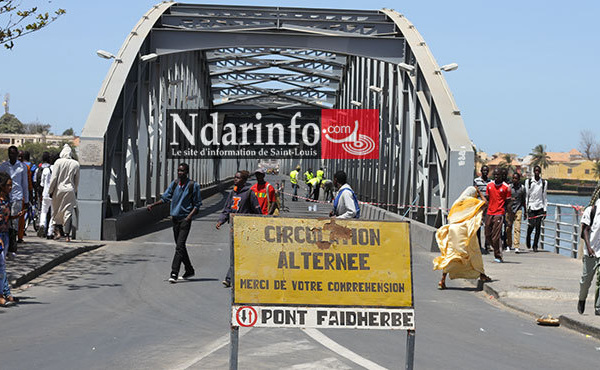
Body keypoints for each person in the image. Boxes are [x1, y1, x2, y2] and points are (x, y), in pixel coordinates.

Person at [147, 163, 202, 284]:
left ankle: (174, 273)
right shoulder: (175, 183)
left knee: (179, 247)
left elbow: (197, 205)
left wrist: (188, 218)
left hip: (185, 220)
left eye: (182, 171)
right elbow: (165, 198)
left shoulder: (193, 185)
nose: (179, 173)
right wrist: (153, 205)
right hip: (175, 219)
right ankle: (189, 269)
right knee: (180, 246)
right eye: (178, 170)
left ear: (187, 172)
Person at [433, 186, 492, 289]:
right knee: (474, 252)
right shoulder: (471, 202)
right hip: (464, 230)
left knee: (451, 254)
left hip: (453, 230)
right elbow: (486, 203)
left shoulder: (457, 203)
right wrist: (480, 193)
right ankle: (482, 275)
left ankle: (442, 280)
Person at [216, 170, 262, 287]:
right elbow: (227, 209)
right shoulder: (233, 193)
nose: (235, 179)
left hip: (245, 228)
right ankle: (239, 276)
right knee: (238, 252)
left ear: (244, 180)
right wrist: (221, 220)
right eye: (235, 177)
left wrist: (259, 224)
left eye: (238, 178)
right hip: (234, 227)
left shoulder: (249, 193)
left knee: (238, 253)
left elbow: (257, 211)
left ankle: (229, 278)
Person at [0, 172, 25, 307]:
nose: (10, 188)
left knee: (3, 266)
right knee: (1, 267)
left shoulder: (7, 199)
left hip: (5, 235)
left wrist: (17, 217)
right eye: (8, 185)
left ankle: (6, 293)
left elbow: (6, 218)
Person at [0, 146, 29, 255]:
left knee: (14, 222)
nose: (11, 155)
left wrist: (26, 200)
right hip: (6, 196)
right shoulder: (3, 166)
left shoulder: (22, 167)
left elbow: (25, 184)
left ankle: (12, 246)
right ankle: (5, 244)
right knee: (5, 220)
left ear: (17, 155)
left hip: (17, 197)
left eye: (13, 153)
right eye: (10, 153)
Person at [48, 144, 80, 242]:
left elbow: (54, 178)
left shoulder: (58, 162)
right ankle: (67, 235)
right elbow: (77, 180)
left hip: (58, 190)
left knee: (56, 211)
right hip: (70, 190)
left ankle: (57, 232)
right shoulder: (75, 164)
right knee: (68, 212)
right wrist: (75, 190)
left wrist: (50, 190)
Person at [577, 186, 600, 316]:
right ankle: (582, 299)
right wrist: (589, 247)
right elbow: (585, 230)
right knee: (586, 280)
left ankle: (598, 307)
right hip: (591, 251)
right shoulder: (591, 210)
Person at [485, 168, 511, 263]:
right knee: (487, 235)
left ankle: (498, 256)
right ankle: (497, 248)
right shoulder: (489, 185)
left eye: (498, 175)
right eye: (495, 175)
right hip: (489, 212)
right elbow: (487, 199)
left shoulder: (506, 187)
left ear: (501, 176)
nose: (496, 177)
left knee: (495, 236)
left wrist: (509, 218)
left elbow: (508, 203)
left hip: (499, 213)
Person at [525, 165, 547, 252]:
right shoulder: (529, 181)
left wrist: (545, 209)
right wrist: (526, 209)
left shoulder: (544, 183)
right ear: (534, 172)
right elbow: (527, 195)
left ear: (540, 172)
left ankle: (535, 246)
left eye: (538, 171)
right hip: (531, 206)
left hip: (540, 206)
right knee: (531, 225)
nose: (537, 172)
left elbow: (544, 197)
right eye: (535, 171)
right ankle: (528, 235)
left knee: (538, 227)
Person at [506, 172, 526, 253]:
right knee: (508, 228)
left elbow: (524, 200)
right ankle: (508, 245)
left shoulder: (522, 188)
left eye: (516, 178)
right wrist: (510, 199)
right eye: (513, 178)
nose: (515, 180)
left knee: (517, 228)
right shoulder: (509, 187)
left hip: (518, 210)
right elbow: (505, 199)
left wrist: (526, 212)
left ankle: (516, 246)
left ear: (519, 179)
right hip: (509, 210)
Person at [474, 165, 492, 253]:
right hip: (479, 207)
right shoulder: (476, 181)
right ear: (481, 171)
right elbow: (474, 193)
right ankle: (479, 245)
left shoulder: (491, 182)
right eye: (483, 170)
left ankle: (487, 245)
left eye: (487, 171)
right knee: (478, 226)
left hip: (488, 207)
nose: (485, 172)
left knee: (488, 226)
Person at [36, 152, 53, 238]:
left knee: (43, 211)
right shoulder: (56, 169)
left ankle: (42, 225)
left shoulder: (45, 170)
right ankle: (50, 232)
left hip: (45, 194)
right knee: (53, 214)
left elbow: (41, 184)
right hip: (53, 194)